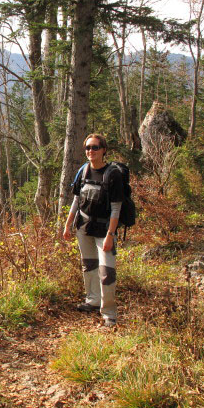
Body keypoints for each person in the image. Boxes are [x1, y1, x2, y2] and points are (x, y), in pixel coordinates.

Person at [63, 134, 124, 328]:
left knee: (107, 272)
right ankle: (93, 300)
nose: (91, 151)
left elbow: (116, 208)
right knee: (89, 266)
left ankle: (109, 313)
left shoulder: (112, 174)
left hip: (105, 229)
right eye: (88, 148)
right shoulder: (83, 171)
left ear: (103, 150)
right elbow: (76, 200)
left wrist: (110, 235)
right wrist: (67, 224)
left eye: (95, 147)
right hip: (84, 226)